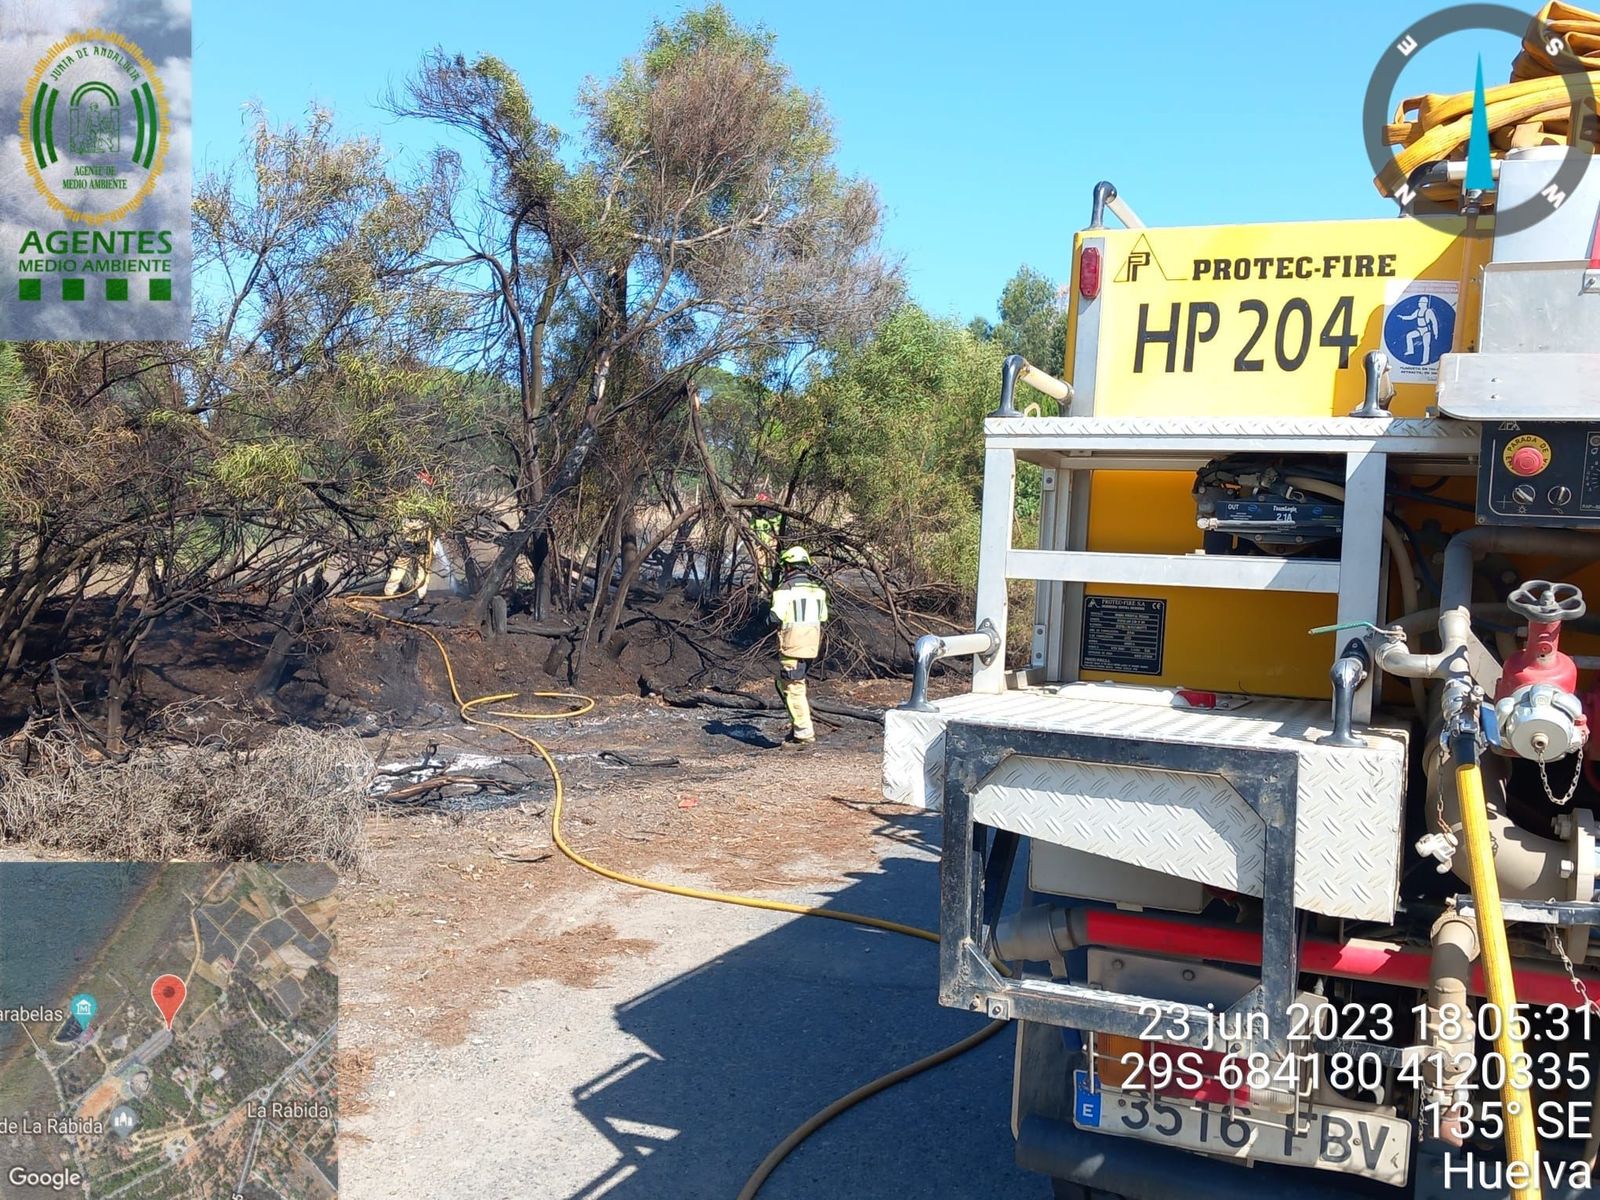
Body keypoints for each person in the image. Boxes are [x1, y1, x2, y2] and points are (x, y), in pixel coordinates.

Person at [769, 545, 829, 748]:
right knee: (785, 684)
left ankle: (803, 734)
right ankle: (797, 727)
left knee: (793, 688)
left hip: (792, 646)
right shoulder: (818, 591)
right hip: (811, 646)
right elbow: (823, 617)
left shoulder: (784, 591)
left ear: (788, 567)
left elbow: (774, 617)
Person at [750, 492, 780, 589]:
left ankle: (777, 584)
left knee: (775, 563)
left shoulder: (775, 514)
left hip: (773, 543)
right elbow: (752, 528)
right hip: (761, 544)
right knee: (762, 565)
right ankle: (765, 585)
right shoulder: (755, 516)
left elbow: (779, 528)